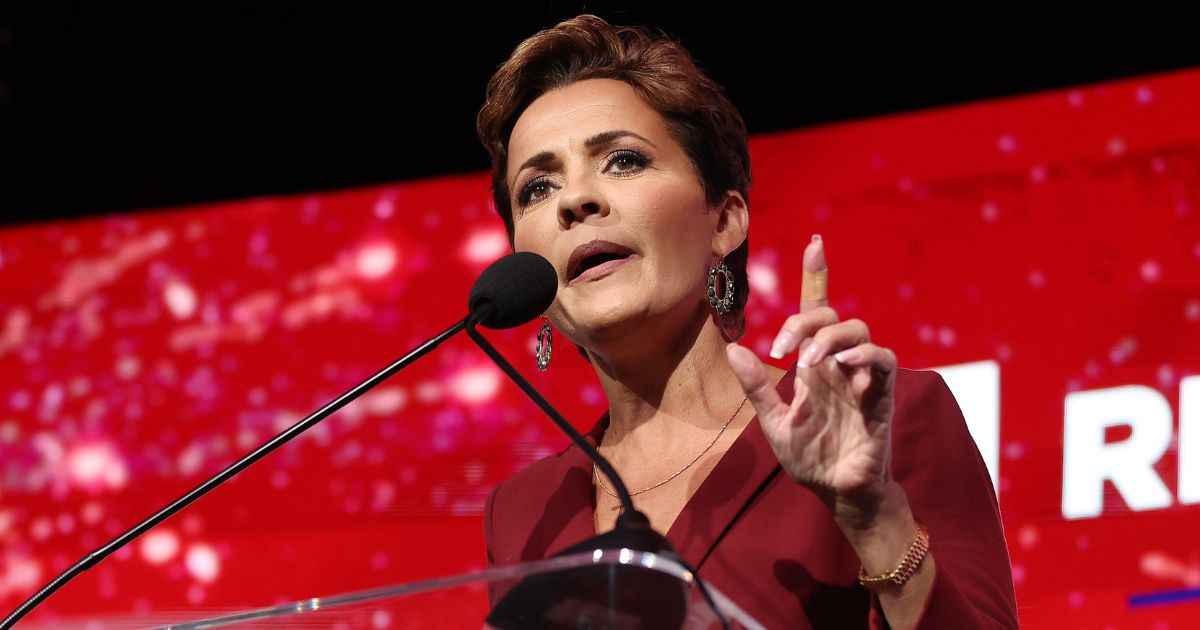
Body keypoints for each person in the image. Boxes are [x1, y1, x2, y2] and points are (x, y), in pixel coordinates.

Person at [475, 14, 1017, 629]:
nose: (575, 200)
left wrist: (875, 520)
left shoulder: (888, 422)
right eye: (537, 188)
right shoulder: (523, 512)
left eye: (623, 160)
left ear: (725, 221)